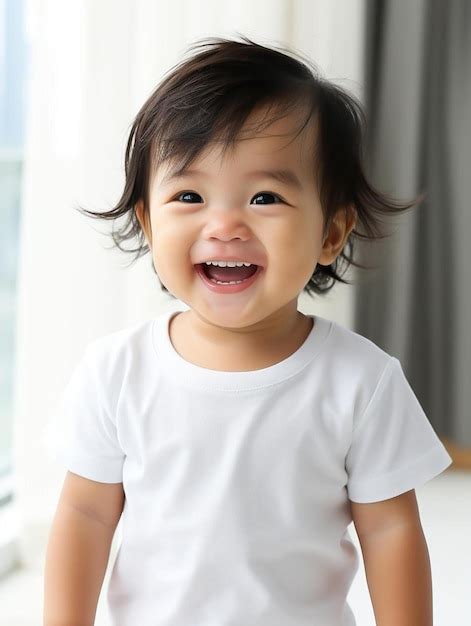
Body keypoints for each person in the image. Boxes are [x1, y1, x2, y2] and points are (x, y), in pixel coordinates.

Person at [43, 34, 453, 626]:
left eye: (265, 196)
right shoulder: (116, 371)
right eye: (189, 195)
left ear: (331, 233)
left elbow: (391, 531)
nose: (225, 224)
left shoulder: (362, 381)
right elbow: (85, 515)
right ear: (150, 224)